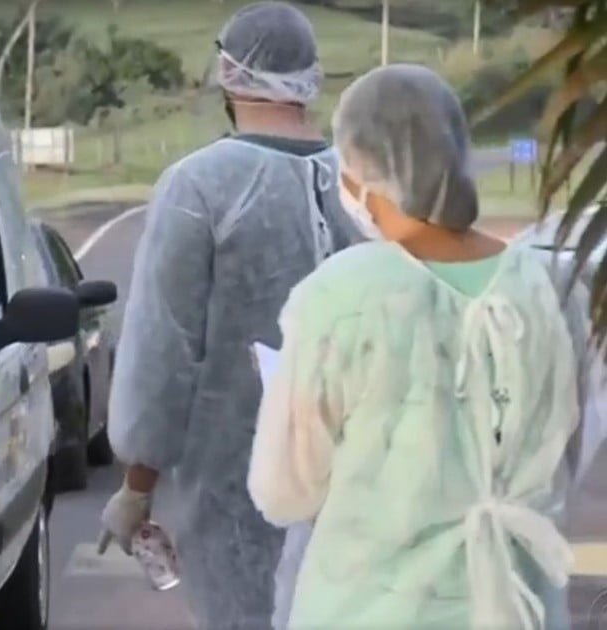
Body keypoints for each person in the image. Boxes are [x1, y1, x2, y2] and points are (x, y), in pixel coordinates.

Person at [247, 64, 603, 629]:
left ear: (361, 173)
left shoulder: (341, 297)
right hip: (520, 604)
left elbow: (284, 491)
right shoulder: (555, 292)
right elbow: (567, 456)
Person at [97, 3, 363, 628]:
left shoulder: (198, 189)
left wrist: (137, 488)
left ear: (228, 72)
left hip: (237, 490)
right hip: (359, 483)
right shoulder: (363, 183)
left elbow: (164, 355)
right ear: (309, 76)